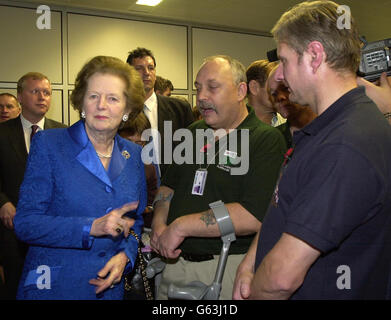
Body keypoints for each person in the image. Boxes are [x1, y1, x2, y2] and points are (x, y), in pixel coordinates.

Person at [233, 0, 391, 300]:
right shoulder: (324, 129)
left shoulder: (346, 144)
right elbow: (287, 207)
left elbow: (282, 277)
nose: (279, 75)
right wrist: (250, 262)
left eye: (284, 60)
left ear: (315, 56)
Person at [150, 55, 286, 300]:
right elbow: (168, 187)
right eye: (198, 88)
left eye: (212, 87)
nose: (201, 97)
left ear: (240, 91)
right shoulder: (193, 132)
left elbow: (253, 216)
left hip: (223, 270)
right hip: (173, 267)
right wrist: (160, 224)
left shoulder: (263, 139)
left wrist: (181, 226)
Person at [13, 56, 147, 300]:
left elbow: (135, 222)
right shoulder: (49, 144)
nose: (101, 105)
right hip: (56, 286)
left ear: (127, 110)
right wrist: (90, 227)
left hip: (109, 289)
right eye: (93, 96)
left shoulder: (134, 154)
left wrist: (125, 257)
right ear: (82, 103)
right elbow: (25, 224)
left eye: (113, 98)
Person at [0, 72, 67, 299]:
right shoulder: (2, 133)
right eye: (35, 91)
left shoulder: (64, 134)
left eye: (46, 92)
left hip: (53, 230)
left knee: (48, 290)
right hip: (13, 229)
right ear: (20, 96)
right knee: (15, 288)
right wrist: (3, 202)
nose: (42, 97)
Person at [126, 47, 194, 179]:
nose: (146, 73)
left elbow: (191, 154)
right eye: (139, 68)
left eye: (151, 68)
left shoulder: (180, 109)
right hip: (133, 189)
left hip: (172, 189)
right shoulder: (120, 111)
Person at [118, 112, 159, 228]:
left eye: (139, 143)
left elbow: (152, 203)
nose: (133, 148)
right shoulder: (104, 165)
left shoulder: (148, 168)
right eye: (128, 142)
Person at [266, 65, 317, 148]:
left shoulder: (331, 127)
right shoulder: (273, 139)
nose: (280, 97)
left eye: (286, 89)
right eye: (274, 95)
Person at [246, 59, 285, 126]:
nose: (283, 95)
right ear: (254, 87)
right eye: (275, 85)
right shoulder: (230, 126)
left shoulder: (291, 126)